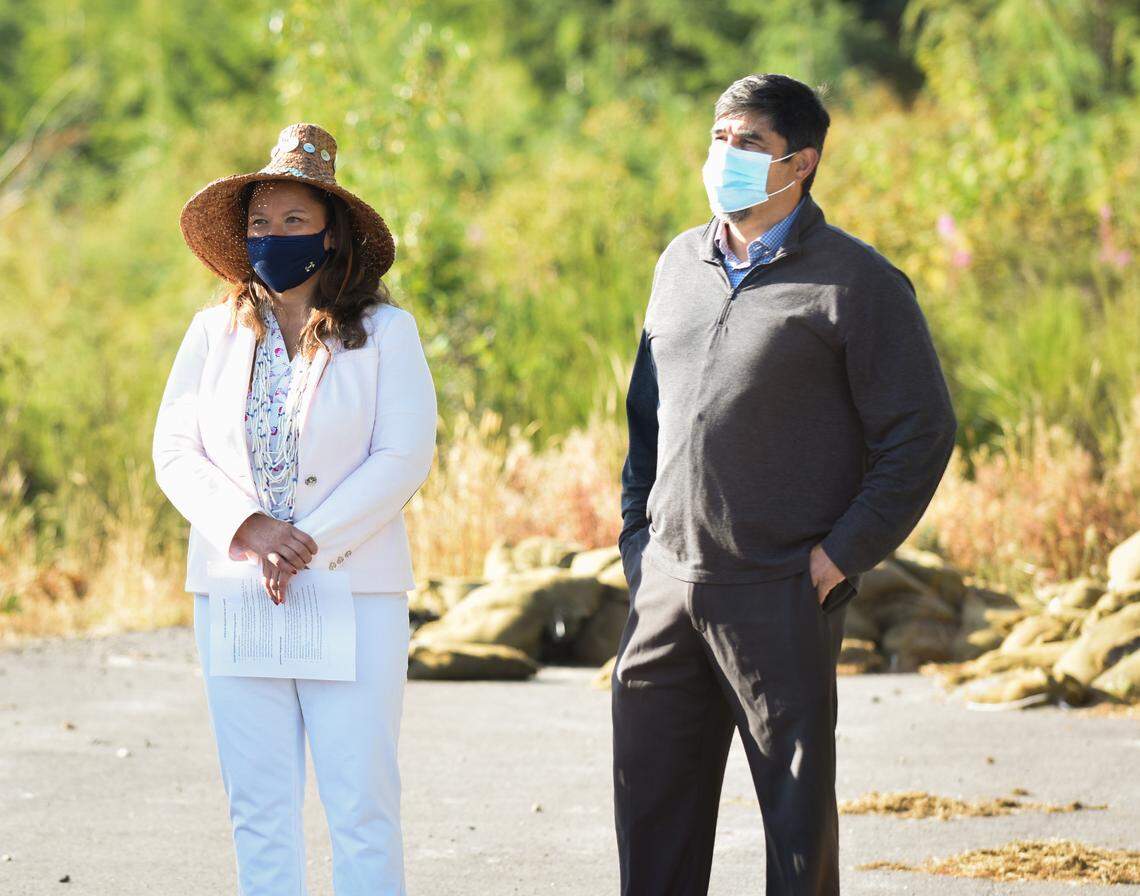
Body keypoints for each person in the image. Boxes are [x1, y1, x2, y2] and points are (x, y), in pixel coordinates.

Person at [611, 74, 958, 895]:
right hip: (665, 589)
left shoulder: (858, 283)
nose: (723, 157)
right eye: (719, 138)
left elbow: (921, 432)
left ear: (799, 164)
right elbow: (645, 414)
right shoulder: (678, 262)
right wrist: (638, 541)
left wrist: (841, 556)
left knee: (797, 834)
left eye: (749, 144)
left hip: (780, 591)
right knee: (651, 822)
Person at [152, 122, 437, 896]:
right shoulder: (212, 334)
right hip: (238, 588)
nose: (272, 238)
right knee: (259, 804)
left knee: (361, 800)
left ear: (331, 235)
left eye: (292, 223)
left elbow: (402, 455)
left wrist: (304, 541)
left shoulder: (385, 333)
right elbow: (175, 450)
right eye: (258, 225)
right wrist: (250, 531)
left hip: (352, 589)